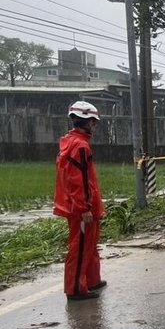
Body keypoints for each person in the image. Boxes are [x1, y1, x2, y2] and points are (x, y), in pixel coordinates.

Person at [53, 101, 106, 301]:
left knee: (89, 244)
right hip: (82, 207)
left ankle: (92, 280)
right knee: (81, 246)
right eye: (94, 122)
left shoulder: (69, 142)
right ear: (89, 122)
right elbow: (79, 180)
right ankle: (75, 288)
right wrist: (84, 207)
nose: (95, 126)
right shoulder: (80, 146)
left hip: (81, 205)